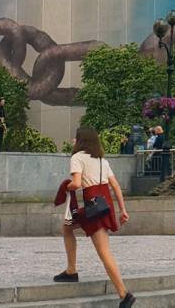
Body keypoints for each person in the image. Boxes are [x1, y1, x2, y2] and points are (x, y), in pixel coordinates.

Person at [55, 126, 134, 308]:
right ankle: (71, 270)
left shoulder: (77, 158)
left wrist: (65, 187)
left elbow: (75, 183)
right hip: (103, 204)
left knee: (104, 252)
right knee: (67, 227)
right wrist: (123, 210)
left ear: (80, 139)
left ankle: (124, 294)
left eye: (76, 137)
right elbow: (115, 186)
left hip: (92, 206)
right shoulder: (101, 161)